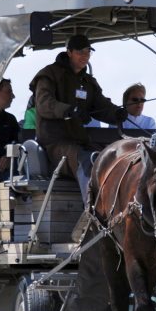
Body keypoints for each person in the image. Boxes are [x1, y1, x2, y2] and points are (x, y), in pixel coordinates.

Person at [29, 34, 126, 201]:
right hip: (54, 144)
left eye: (88, 52)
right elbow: (44, 104)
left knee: (109, 158)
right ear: (69, 52)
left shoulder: (87, 82)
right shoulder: (49, 75)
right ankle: (93, 209)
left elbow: (101, 106)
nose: (85, 56)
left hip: (79, 141)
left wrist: (117, 113)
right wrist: (69, 110)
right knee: (86, 160)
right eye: (80, 52)